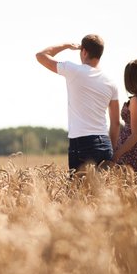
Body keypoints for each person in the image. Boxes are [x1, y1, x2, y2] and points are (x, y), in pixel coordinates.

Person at [36, 34, 120, 175]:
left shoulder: (73, 70)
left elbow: (41, 55)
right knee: (102, 195)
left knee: (79, 194)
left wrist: (67, 45)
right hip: (105, 143)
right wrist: (111, 152)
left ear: (84, 51)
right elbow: (116, 123)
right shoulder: (111, 83)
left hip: (82, 143)